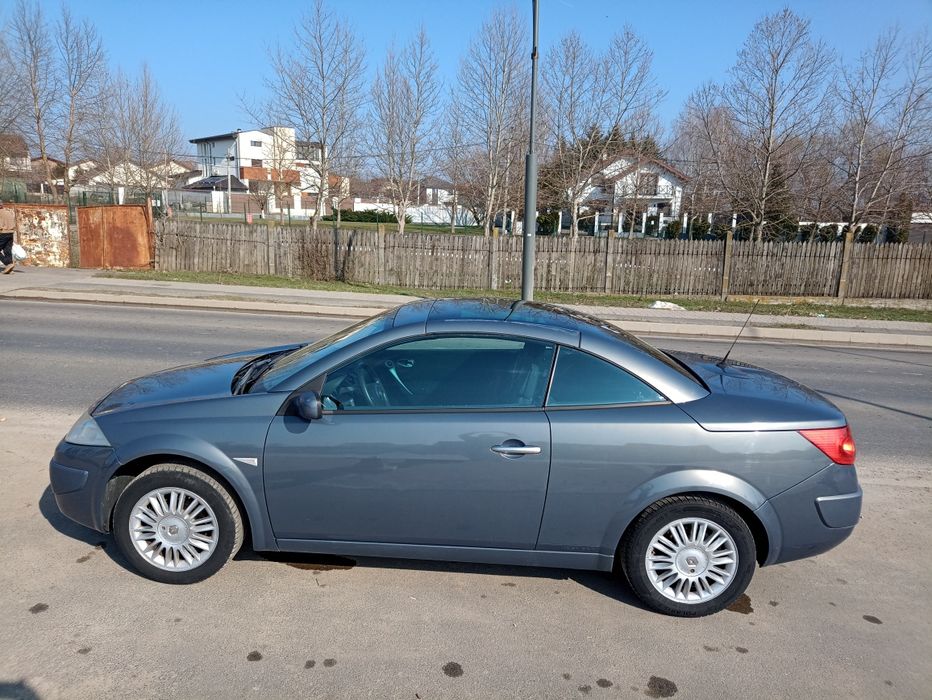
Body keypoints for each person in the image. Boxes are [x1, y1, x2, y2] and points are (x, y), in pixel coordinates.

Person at [0, 199, 16, 274]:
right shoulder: (8, 211)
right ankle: (10, 269)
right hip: (10, 232)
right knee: (7, 250)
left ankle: (8, 264)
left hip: (3, 233)